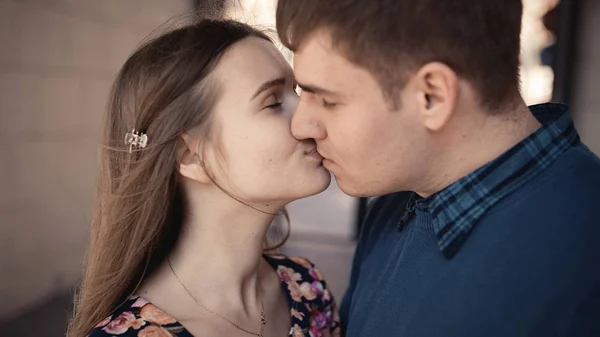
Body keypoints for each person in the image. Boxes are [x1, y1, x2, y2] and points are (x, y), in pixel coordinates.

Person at [275, 0, 600, 336]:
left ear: (432, 95)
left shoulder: (584, 254)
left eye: (328, 101)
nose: (301, 126)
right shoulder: (395, 208)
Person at [67, 18, 340, 337]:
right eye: (274, 102)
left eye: (296, 91)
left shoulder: (307, 288)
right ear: (191, 155)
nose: (309, 118)